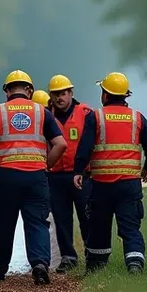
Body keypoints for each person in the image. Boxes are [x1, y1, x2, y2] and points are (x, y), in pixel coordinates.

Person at [0, 70, 67, 285]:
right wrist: (46, 165)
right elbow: (61, 144)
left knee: (4, 225)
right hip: (35, 177)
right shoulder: (42, 113)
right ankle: (40, 265)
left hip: (5, 177)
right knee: (37, 223)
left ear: (7, 91)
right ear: (30, 90)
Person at [73, 72, 147, 274]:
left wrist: (78, 171)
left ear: (105, 94)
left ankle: (96, 268)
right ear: (125, 95)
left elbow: (84, 148)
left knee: (99, 226)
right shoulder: (137, 118)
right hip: (129, 185)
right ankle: (134, 264)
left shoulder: (95, 117)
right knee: (130, 228)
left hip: (101, 185)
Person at [45, 74, 96, 273]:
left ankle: (91, 254)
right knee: (61, 218)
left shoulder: (86, 113)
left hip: (82, 175)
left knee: (87, 216)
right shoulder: (46, 115)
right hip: (55, 175)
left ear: (71, 93)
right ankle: (68, 257)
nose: (59, 98)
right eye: (55, 94)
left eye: (63, 93)